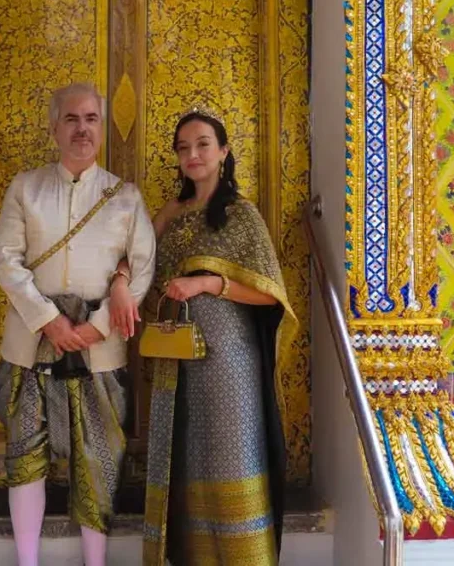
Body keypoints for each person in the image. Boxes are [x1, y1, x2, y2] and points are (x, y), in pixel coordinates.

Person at [109, 107, 297, 565]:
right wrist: (119, 278)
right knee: (185, 460)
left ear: (224, 152)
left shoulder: (240, 214)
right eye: (184, 148)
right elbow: (138, 259)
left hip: (229, 358)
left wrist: (209, 283)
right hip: (175, 357)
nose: (192, 155)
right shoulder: (172, 212)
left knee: (231, 457)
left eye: (203, 145)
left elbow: (271, 295)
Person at [0, 83, 156, 566]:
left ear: (102, 128)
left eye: (91, 119)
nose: (82, 128)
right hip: (29, 344)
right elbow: (6, 259)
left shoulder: (124, 197)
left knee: (97, 460)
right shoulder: (25, 187)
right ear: (54, 127)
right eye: (71, 119)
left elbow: (142, 266)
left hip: (99, 351)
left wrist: (99, 326)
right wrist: (49, 321)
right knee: (25, 455)